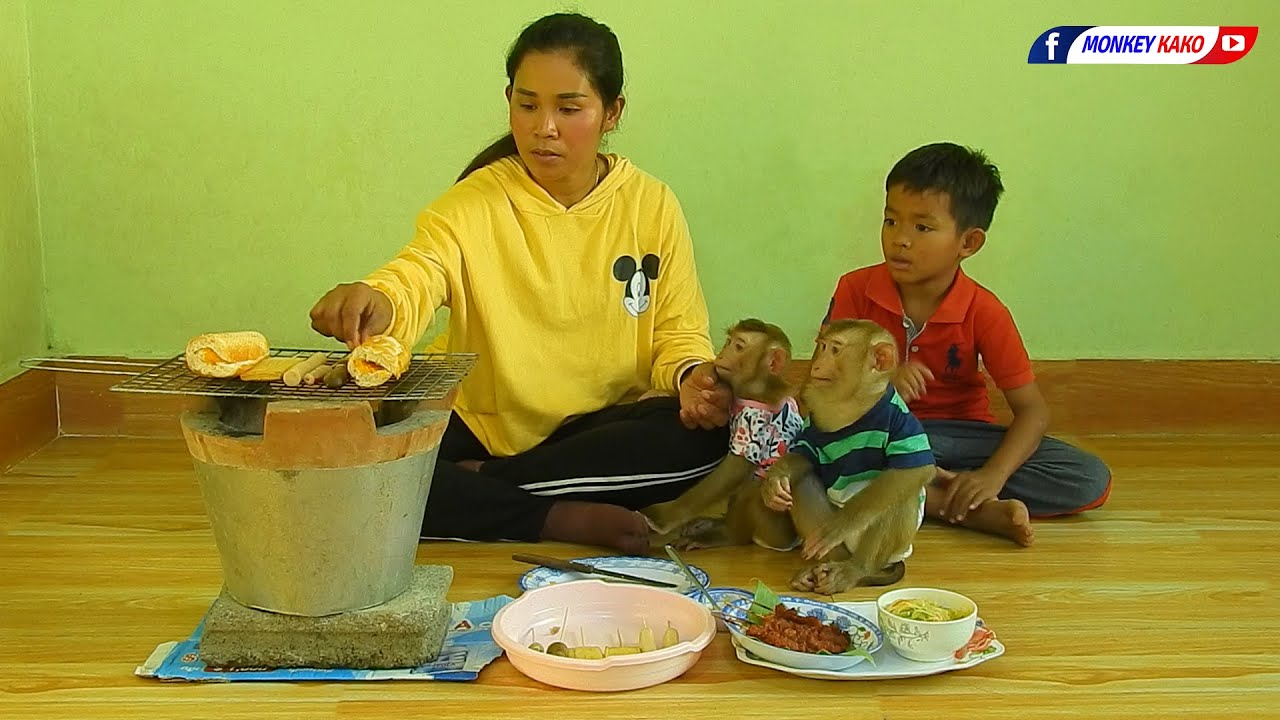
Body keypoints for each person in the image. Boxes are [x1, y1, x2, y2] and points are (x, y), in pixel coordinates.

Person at [309, 13, 730, 554]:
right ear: (509, 99)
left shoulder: (652, 205)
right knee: (355, 464)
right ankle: (553, 515)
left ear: (612, 112)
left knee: (708, 436)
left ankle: (486, 488)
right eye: (527, 105)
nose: (543, 127)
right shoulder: (474, 203)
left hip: (601, 427)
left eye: (569, 108)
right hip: (484, 422)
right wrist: (380, 300)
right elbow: (418, 272)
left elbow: (679, 334)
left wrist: (693, 376)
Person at [823, 142, 1111, 547]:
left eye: (922, 227)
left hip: (955, 440)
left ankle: (928, 491)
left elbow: (1033, 412)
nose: (900, 239)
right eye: (891, 221)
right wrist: (880, 382)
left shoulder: (984, 310)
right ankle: (961, 509)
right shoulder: (855, 289)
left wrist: (992, 476)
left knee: (1088, 478)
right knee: (812, 451)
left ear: (969, 243)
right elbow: (824, 388)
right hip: (874, 432)